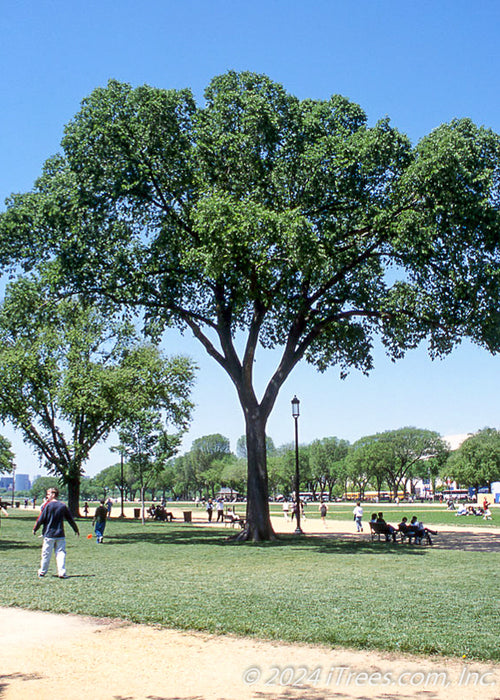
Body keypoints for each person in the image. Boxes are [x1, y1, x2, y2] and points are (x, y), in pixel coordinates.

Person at [33, 487, 79, 578]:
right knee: (61, 553)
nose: (47, 496)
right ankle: (62, 572)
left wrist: (35, 528)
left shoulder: (47, 505)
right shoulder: (62, 506)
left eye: (48, 494)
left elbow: (41, 519)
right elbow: (70, 519)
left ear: (53, 495)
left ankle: (42, 571)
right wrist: (76, 529)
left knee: (46, 554)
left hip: (49, 534)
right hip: (60, 534)